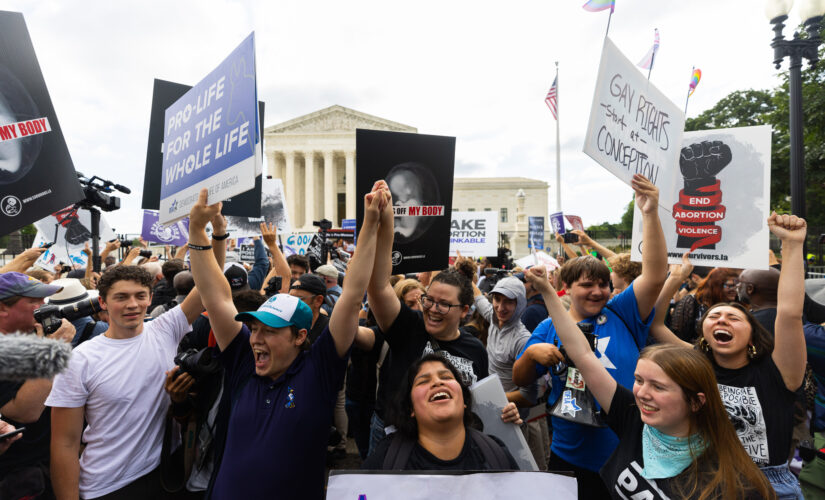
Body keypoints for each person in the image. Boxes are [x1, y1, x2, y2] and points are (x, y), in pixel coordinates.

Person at [186, 185, 381, 500]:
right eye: (255, 328)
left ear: (300, 337)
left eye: (270, 331)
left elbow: (353, 293)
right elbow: (215, 294)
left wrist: (370, 224)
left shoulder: (319, 371)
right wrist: (197, 230)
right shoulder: (243, 362)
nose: (256, 339)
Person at [522, 265, 775, 499]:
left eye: (659, 386)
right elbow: (583, 355)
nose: (642, 393)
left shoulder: (734, 483)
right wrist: (546, 289)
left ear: (696, 402)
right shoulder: (633, 419)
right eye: (638, 380)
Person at [512, 174, 667, 497]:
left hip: (629, 454)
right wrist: (531, 355)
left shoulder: (623, 312)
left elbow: (654, 275)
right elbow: (520, 377)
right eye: (587, 285)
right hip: (569, 457)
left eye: (604, 285)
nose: (598, 292)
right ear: (567, 288)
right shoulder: (547, 328)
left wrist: (650, 213)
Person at [651, 213, 808, 498]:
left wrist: (793, 245)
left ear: (752, 333)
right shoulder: (695, 366)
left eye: (734, 317)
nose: (722, 320)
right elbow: (655, 323)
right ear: (704, 333)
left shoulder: (779, 371)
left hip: (768, 486)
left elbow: (789, 313)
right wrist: (675, 278)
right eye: (714, 316)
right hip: (707, 479)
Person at [364, 181, 507, 455]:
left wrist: (505, 413)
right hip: (394, 439)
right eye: (429, 299)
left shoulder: (475, 349)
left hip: (447, 445)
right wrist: (386, 223)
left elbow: (480, 405)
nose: (432, 309)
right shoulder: (408, 327)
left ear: (465, 311)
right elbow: (379, 285)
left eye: (444, 304)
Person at [47, 264, 204, 499]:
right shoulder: (80, 360)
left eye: (140, 296)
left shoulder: (164, 329)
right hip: (107, 486)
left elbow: (207, 284)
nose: (132, 304)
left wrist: (210, 234)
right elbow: (64, 444)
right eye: (121, 297)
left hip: (166, 473)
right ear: (102, 302)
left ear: (150, 298)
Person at [362, 354, 520, 471]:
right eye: (423, 381)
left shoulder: (496, 453)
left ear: (464, 401)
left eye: (446, 377)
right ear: (411, 408)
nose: (437, 382)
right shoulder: (387, 459)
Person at [0, 272, 73, 500]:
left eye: (45, 300)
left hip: (51, 460)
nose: (44, 307)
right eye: (34, 301)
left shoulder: (36, 335)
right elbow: (23, 411)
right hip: (18, 473)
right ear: (3, 308)